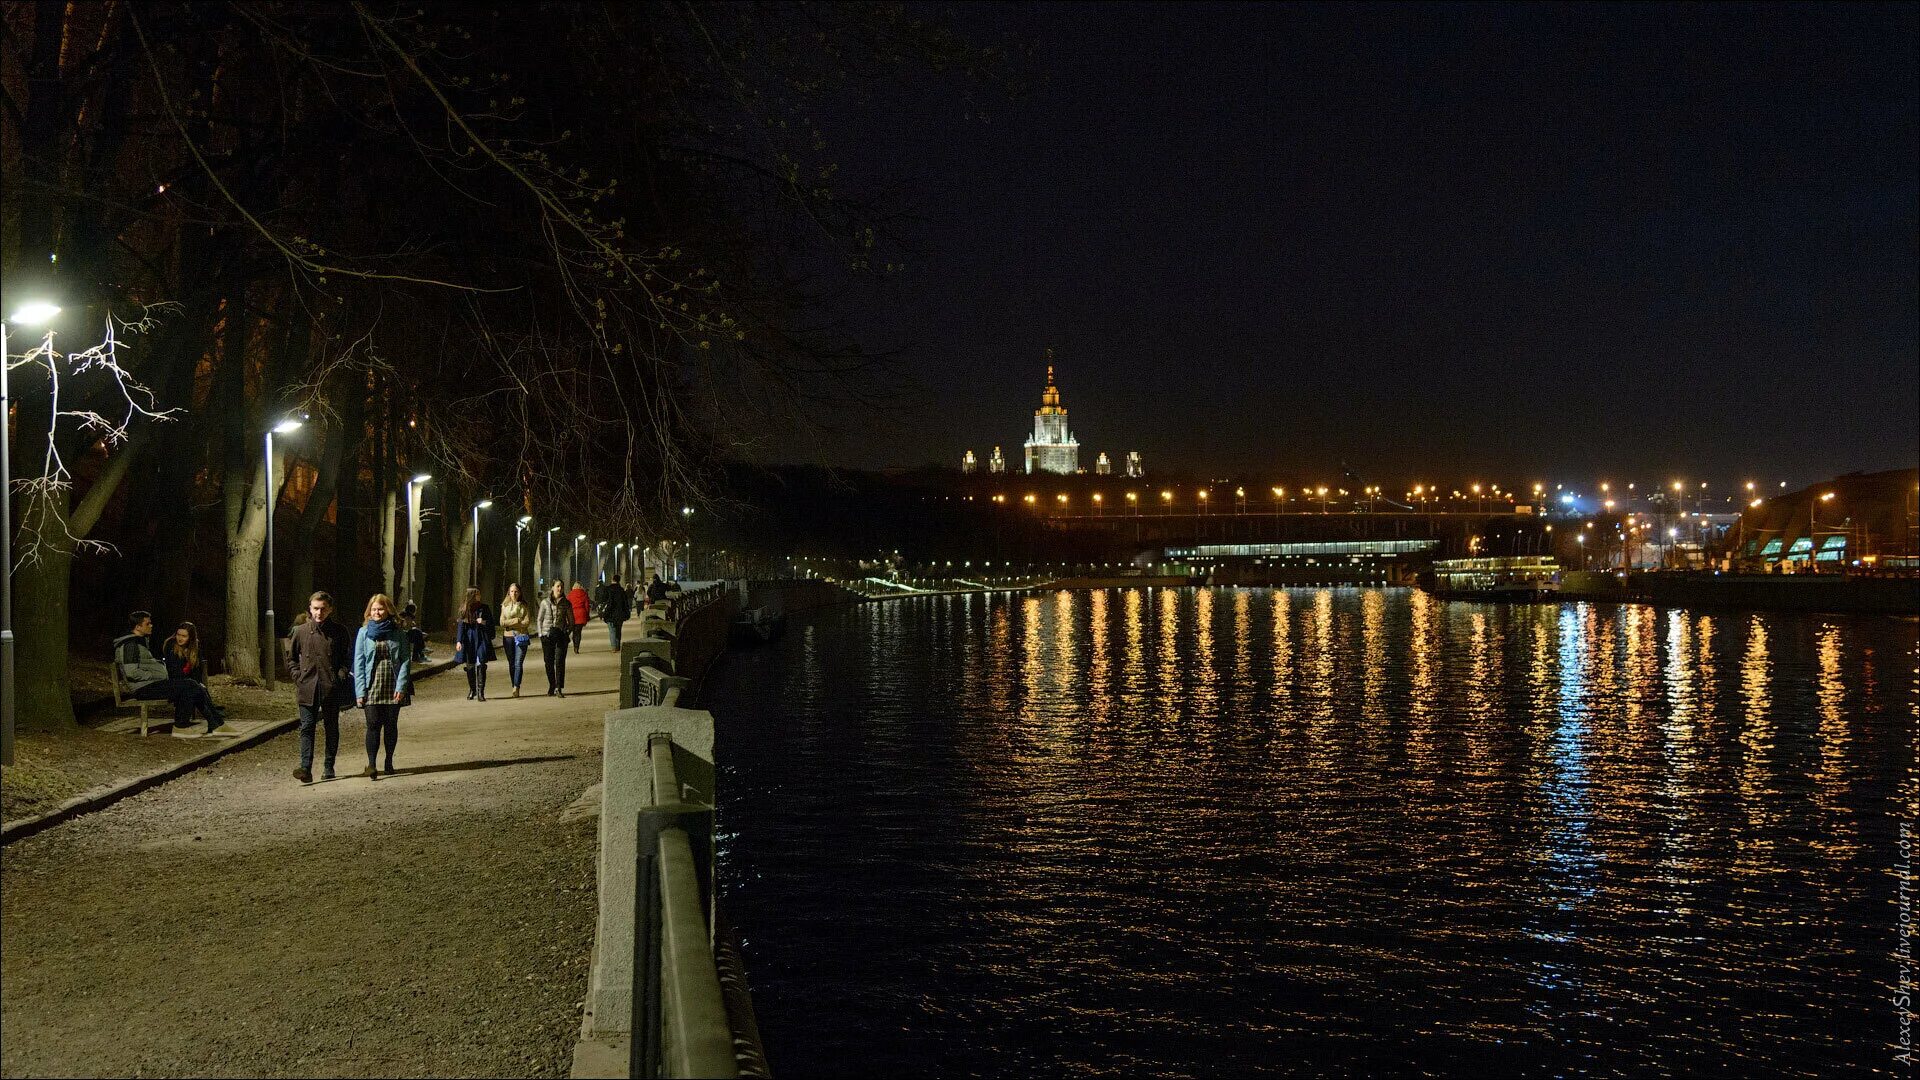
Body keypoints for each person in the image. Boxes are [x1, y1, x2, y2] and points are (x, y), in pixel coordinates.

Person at [115, 611, 227, 733]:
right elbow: (132, 673)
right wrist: (160, 674)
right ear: (138, 627)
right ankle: (182, 726)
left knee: (191, 685)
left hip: (150, 685)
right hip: (143, 689)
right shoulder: (130, 645)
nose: (151, 625)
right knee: (189, 685)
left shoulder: (139, 642)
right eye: (148, 623)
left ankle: (217, 724)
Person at [288, 591, 353, 784]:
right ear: (310, 608)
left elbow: (346, 657)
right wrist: (297, 677)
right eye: (315, 608)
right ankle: (305, 767)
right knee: (307, 727)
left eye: (323, 609)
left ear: (330, 609)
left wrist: (339, 675)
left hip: (329, 686)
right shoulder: (300, 632)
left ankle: (328, 765)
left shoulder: (340, 631)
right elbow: (291, 658)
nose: (319, 612)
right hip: (307, 686)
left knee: (331, 726)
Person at [353, 593, 413, 779]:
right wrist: (359, 691)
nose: (377, 612)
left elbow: (405, 660)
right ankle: (371, 764)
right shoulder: (363, 633)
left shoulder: (398, 633)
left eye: (380, 609)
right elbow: (359, 662)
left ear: (388, 610)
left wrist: (401, 686)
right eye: (374, 609)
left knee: (390, 724)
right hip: (371, 685)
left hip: (392, 683)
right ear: (368, 611)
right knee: (372, 724)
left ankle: (388, 760)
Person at [453, 587, 496, 701]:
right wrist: (459, 641)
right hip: (469, 639)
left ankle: (481, 691)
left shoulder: (484, 608)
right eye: (477, 594)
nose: (479, 596)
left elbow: (491, 623)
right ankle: (472, 690)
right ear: (472, 596)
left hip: (481, 637)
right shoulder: (464, 609)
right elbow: (461, 626)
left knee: (481, 663)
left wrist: (484, 622)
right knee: (470, 665)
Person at [537, 579, 576, 697]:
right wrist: (540, 634)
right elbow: (540, 619)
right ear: (553, 587)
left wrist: (566, 632)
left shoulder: (566, 603)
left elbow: (572, 621)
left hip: (560, 636)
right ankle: (552, 685)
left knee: (559, 662)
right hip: (547, 635)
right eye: (558, 586)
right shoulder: (545, 603)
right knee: (548, 662)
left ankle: (559, 687)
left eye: (562, 587)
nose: (560, 589)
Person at [498, 582, 532, 698]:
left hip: (521, 636)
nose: (514, 593)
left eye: (516, 591)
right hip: (508, 638)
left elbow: (526, 622)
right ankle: (514, 683)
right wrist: (517, 621)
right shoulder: (504, 605)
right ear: (509, 592)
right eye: (512, 591)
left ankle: (516, 686)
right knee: (511, 663)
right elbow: (502, 622)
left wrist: (512, 624)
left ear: (520, 592)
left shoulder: (524, 606)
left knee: (518, 663)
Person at [161, 621, 206, 686]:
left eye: (184, 636)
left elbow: (197, 671)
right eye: (178, 635)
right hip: (174, 682)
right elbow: (173, 672)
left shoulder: (195, 647)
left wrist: (198, 684)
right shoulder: (170, 644)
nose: (180, 638)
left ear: (191, 638)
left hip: (190, 682)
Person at [596, 574, 631, 651]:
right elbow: (625, 603)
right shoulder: (621, 590)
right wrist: (627, 613)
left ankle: (613, 647)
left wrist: (603, 612)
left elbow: (604, 601)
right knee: (618, 630)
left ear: (612, 579)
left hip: (610, 613)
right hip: (620, 614)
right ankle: (617, 645)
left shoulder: (608, 589)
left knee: (612, 630)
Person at [567, 580, 590, 654]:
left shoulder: (570, 594)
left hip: (572, 614)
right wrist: (587, 615)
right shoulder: (584, 594)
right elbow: (587, 606)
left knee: (574, 631)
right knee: (578, 632)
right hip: (581, 614)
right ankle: (576, 647)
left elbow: (567, 605)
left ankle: (574, 644)